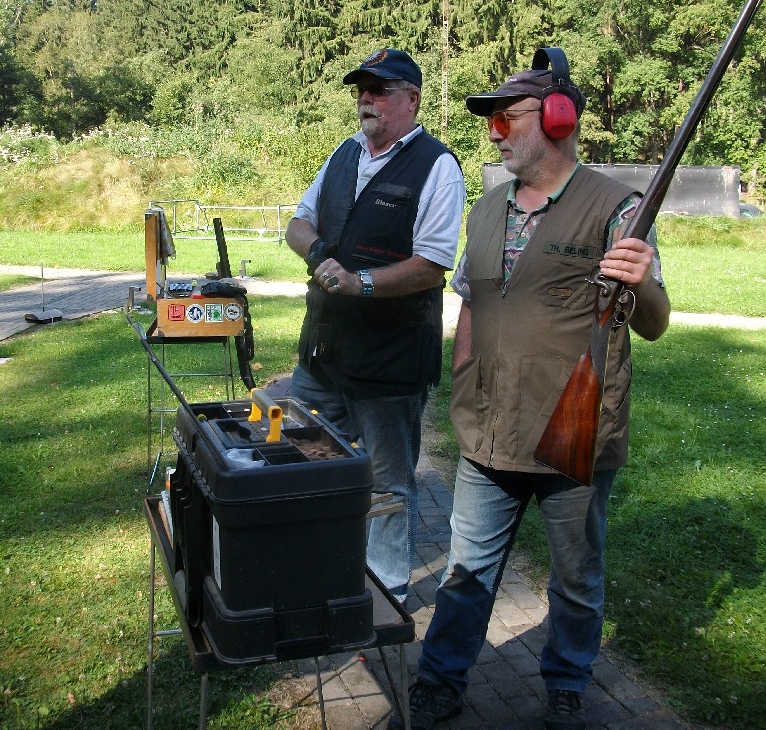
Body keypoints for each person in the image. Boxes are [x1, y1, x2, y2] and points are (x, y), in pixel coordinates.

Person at [390, 49, 671, 730]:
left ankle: (567, 684)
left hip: (574, 430)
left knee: (575, 576)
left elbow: (655, 323)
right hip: (489, 425)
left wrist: (642, 282)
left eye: (504, 118)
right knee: (467, 571)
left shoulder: (619, 208)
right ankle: (441, 680)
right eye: (489, 122)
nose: (494, 133)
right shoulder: (487, 209)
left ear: (557, 118)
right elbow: (472, 302)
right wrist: (463, 380)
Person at [286, 48, 466, 603]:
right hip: (322, 355)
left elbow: (432, 265)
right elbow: (297, 224)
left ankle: (385, 593)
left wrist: (359, 282)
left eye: (380, 89)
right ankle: (318, 570)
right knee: (306, 459)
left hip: (390, 362)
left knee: (388, 484)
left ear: (412, 99)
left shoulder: (438, 166)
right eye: (361, 89)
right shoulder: (342, 154)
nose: (366, 98)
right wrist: (320, 254)